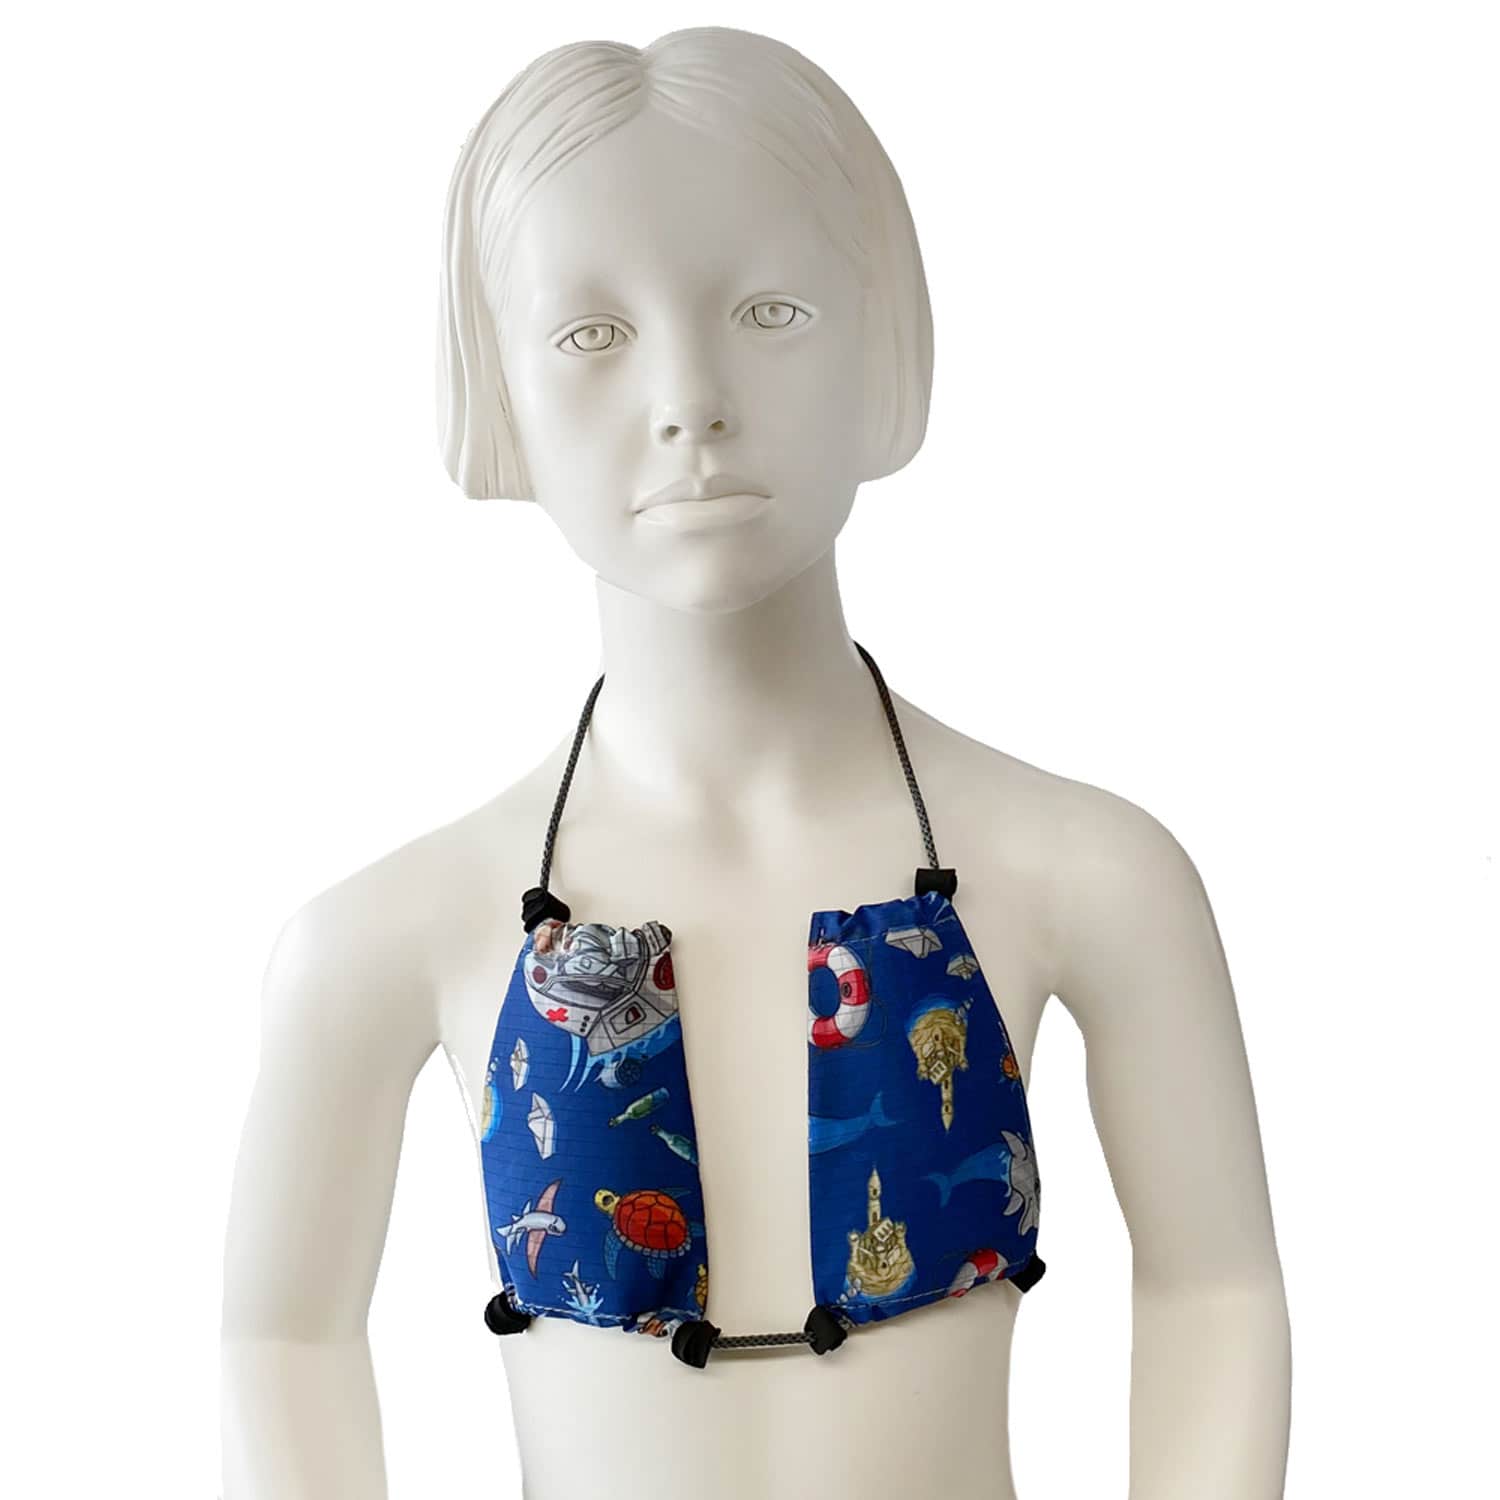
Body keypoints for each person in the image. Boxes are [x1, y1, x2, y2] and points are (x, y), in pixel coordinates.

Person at [221, 26, 1291, 1499]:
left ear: (882, 339)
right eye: (591, 333)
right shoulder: (381, 938)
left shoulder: (1094, 875)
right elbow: (280, 1341)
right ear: (495, 385)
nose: (691, 398)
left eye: (769, 310)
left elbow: (1216, 1296)